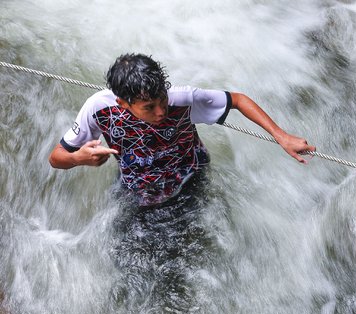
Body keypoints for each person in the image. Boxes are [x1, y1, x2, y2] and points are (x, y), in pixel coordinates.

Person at [48, 53, 315, 206]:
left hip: (189, 177)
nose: (161, 111)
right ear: (123, 103)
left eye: (162, 99)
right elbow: (56, 157)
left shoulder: (183, 98)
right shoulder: (98, 109)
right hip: (137, 188)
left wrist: (281, 136)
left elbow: (237, 100)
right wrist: (77, 158)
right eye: (149, 107)